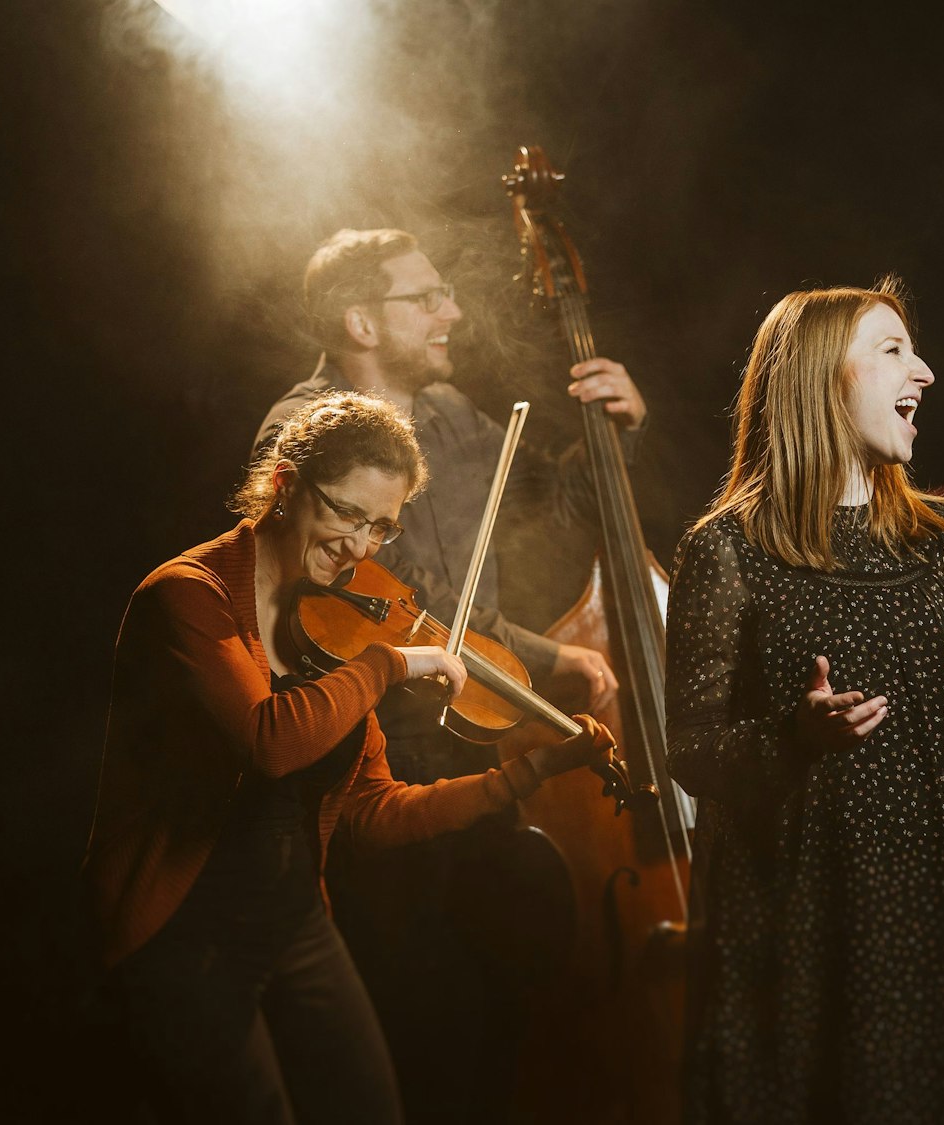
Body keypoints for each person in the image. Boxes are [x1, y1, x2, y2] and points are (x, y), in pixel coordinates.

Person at [82, 390, 616, 1123]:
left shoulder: (338, 620)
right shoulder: (187, 596)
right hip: (181, 934)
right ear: (285, 485)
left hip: (294, 921)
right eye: (346, 513)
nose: (361, 548)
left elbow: (373, 810)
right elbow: (271, 742)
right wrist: (390, 663)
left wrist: (527, 772)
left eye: (382, 527)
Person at [665, 279, 944, 1125]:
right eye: (894, 350)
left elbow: (936, 736)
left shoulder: (937, 541)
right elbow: (691, 750)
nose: (926, 372)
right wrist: (797, 735)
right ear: (820, 376)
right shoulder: (728, 548)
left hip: (920, 899)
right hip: (794, 910)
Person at [252, 228, 650, 1120]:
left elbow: (545, 521)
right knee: (415, 1021)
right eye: (426, 297)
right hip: (368, 768)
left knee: (496, 1009)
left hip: (467, 754)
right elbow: (354, 598)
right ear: (361, 321)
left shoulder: (454, 414)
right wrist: (517, 657)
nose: (453, 312)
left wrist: (614, 435)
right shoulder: (302, 429)